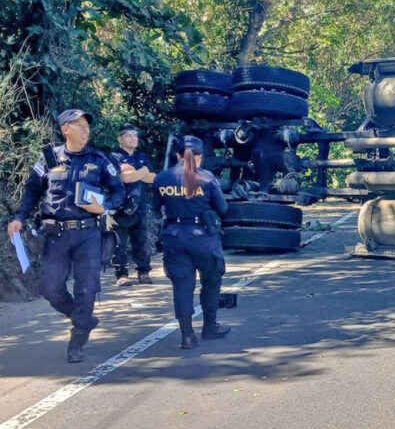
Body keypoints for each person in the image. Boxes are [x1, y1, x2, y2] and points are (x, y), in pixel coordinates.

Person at [6, 109, 125, 362]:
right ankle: (83, 318)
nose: (86, 130)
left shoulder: (99, 159)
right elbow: (32, 191)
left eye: (87, 125)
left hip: (88, 234)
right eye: (80, 125)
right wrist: (19, 218)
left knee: (87, 288)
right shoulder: (49, 158)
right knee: (49, 288)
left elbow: (118, 191)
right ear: (65, 130)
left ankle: (78, 340)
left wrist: (104, 207)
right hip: (56, 235)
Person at [153, 135, 230, 349]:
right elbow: (223, 209)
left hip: (174, 237)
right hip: (203, 237)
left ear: (177, 155)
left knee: (182, 287)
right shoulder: (206, 178)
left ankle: (187, 336)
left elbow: (155, 207)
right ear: (199, 157)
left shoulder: (162, 178)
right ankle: (210, 327)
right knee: (211, 282)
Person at [108, 124, 156, 286]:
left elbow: (152, 178)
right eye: (128, 135)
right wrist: (142, 171)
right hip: (120, 206)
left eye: (135, 135)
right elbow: (124, 178)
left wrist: (136, 171)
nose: (133, 138)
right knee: (119, 243)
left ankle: (143, 272)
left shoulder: (141, 156)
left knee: (141, 241)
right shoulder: (114, 157)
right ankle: (121, 274)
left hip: (139, 205)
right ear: (120, 139)